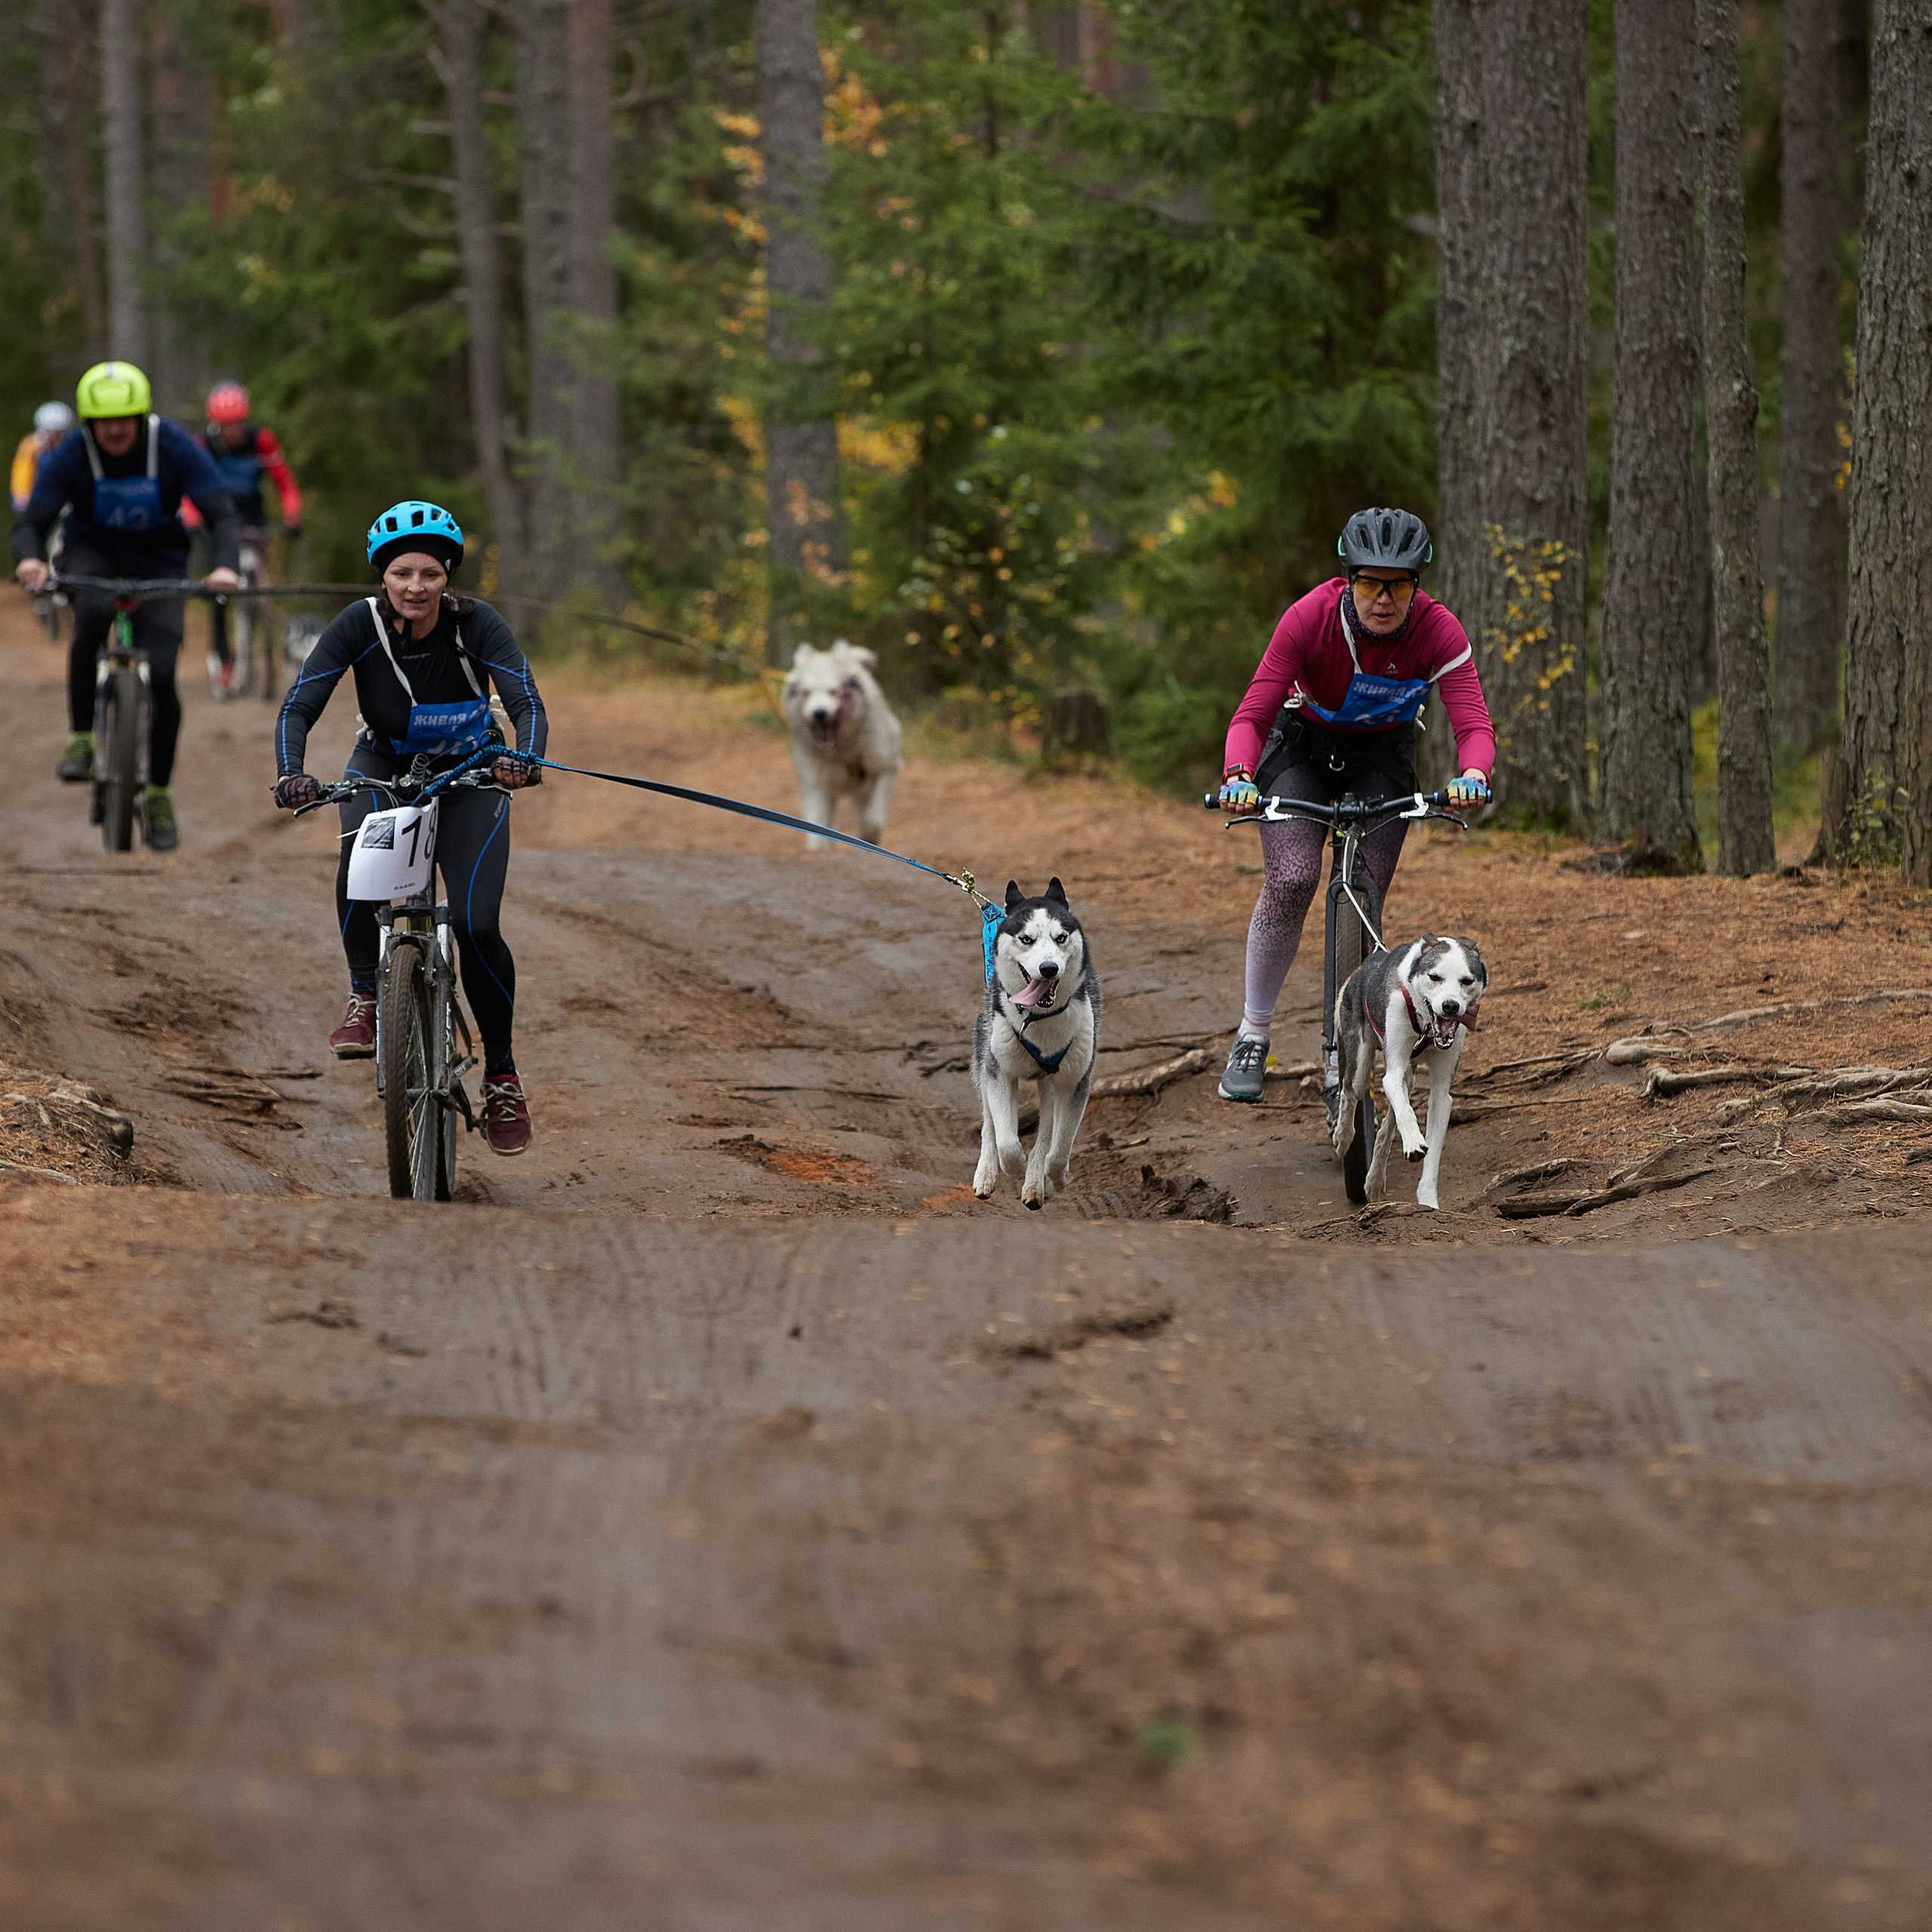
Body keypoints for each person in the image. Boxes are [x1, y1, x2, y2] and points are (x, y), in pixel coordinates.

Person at [270, 500, 547, 1157]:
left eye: (430, 574)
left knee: (477, 925)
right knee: (359, 866)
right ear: (382, 577)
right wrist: (291, 773)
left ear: (448, 577)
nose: (415, 587)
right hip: (384, 765)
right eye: (402, 573)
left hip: (472, 771)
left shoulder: (478, 624)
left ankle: (502, 1078)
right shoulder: (357, 624)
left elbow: (525, 701)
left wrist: (524, 758)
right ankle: (366, 995)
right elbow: (300, 704)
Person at [1214, 507, 1494, 1111]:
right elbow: (1252, 714)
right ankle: (1253, 1033)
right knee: (1293, 877)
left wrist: (1473, 774)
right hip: (1302, 750)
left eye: (1398, 585)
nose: (1383, 599)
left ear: (1416, 585)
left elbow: (1473, 722)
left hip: (1381, 760)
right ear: (1349, 580)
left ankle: (1347, 1053)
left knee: (1365, 896)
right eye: (1369, 583)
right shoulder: (1309, 618)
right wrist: (1238, 775)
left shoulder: (1439, 631)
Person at [10, 361, 242, 852]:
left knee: (163, 674)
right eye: (104, 422)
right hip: (90, 552)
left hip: (161, 559)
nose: (115, 431)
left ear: (140, 417)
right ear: (89, 423)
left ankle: (158, 794)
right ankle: (80, 737)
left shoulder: (172, 446)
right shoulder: (72, 453)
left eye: (124, 420)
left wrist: (224, 566)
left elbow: (221, 513)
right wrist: (30, 560)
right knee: (92, 614)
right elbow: (32, 520)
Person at [184, 380, 303, 691]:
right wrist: (193, 518)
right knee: (220, 593)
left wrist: (292, 516)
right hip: (216, 524)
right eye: (226, 424)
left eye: (237, 423)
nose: (233, 430)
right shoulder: (203, 446)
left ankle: (265, 648)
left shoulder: (261, 440)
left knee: (262, 590)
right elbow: (188, 487)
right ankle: (223, 658)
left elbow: (284, 483)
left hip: (253, 522)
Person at [11, 401, 75, 513]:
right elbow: (22, 471)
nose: (55, 437)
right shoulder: (31, 446)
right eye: (51, 432)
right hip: (38, 502)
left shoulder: (72, 447)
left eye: (59, 433)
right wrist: (21, 496)